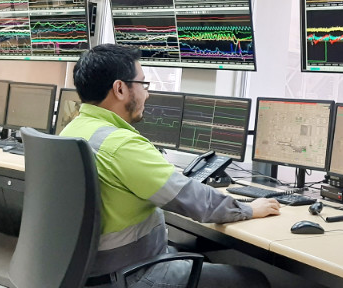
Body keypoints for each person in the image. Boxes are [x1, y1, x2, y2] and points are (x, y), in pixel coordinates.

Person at [60, 44, 280, 288]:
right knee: (254, 281)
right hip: (132, 274)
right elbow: (192, 200)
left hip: (86, 273)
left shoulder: (72, 130)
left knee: (196, 256)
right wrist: (249, 209)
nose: (147, 94)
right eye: (143, 84)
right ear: (120, 89)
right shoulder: (120, 145)